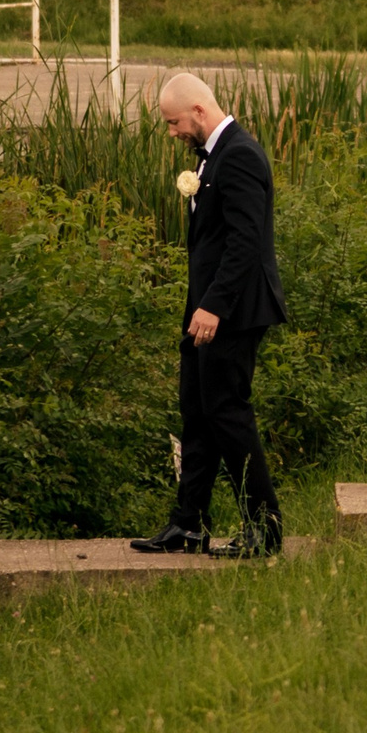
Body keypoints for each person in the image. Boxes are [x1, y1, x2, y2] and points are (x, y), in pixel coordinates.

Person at [130, 72, 287, 558]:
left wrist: (214, 306)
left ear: (198, 112)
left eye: (174, 122)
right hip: (208, 309)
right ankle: (189, 524)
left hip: (234, 311)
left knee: (227, 413)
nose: (172, 132)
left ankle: (265, 529)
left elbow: (244, 243)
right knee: (197, 411)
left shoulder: (238, 155)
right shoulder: (214, 157)